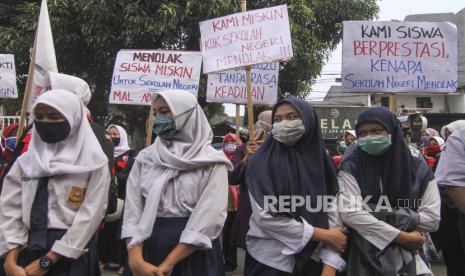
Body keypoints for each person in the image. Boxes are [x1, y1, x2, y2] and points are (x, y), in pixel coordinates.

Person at [122, 89, 233, 276]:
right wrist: (135, 259)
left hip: (193, 252)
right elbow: (133, 209)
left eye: (165, 112)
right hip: (146, 246)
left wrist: (168, 264)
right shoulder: (145, 158)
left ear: (188, 114)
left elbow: (209, 217)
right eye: (155, 113)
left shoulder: (212, 162)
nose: (158, 118)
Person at [0, 90, 110, 275]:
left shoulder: (94, 163)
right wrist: (10, 260)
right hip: (24, 251)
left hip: (70, 255)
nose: (45, 123)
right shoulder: (26, 162)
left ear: (73, 118)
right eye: (39, 117)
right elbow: (10, 210)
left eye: (54, 116)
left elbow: (90, 215)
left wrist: (48, 260)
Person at [245, 99, 346, 276]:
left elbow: (334, 210)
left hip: (315, 259)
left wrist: (330, 263)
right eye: (277, 119)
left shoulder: (323, 163)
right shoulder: (261, 163)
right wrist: (324, 235)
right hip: (270, 260)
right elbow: (265, 217)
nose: (284, 124)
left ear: (309, 120)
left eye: (291, 117)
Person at [338, 107, 440, 276]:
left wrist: (369, 211)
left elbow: (432, 220)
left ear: (392, 130)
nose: (369, 137)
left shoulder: (418, 168)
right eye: (362, 134)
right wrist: (404, 236)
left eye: (376, 130)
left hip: (412, 261)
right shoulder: (350, 166)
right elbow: (350, 214)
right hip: (364, 258)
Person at [229, 110, 272, 251]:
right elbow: (233, 178)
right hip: (250, 207)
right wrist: (246, 158)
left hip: (275, 208)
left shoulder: (282, 149)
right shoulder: (243, 149)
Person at [98, 125, 135, 274]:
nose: (112, 136)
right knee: (105, 231)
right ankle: (103, 259)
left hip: (125, 196)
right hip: (107, 196)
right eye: (110, 133)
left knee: (121, 231)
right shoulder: (104, 151)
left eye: (116, 134)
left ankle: (121, 262)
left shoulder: (131, 154)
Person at [434, 127, 465, 275]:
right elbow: (453, 183)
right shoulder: (460, 139)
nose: (448, 137)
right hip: (450, 211)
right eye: (446, 135)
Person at [221, 133, 241, 272]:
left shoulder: (244, 156)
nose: (230, 144)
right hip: (226, 205)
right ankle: (230, 262)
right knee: (227, 236)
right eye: (227, 141)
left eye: (233, 141)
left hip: (242, 204)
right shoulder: (219, 157)